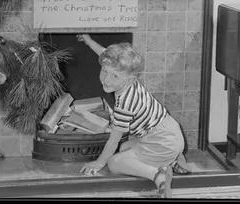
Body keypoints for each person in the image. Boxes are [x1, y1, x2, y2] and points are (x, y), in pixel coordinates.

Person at [76, 34, 191, 198]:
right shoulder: (128, 75)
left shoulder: (124, 104)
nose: (106, 79)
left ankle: (158, 175)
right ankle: (171, 161)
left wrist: (100, 162)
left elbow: (113, 140)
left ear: (129, 80)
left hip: (162, 141)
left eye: (114, 76)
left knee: (114, 163)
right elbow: (103, 54)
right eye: (104, 71)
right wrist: (88, 41)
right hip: (170, 132)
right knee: (124, 148)